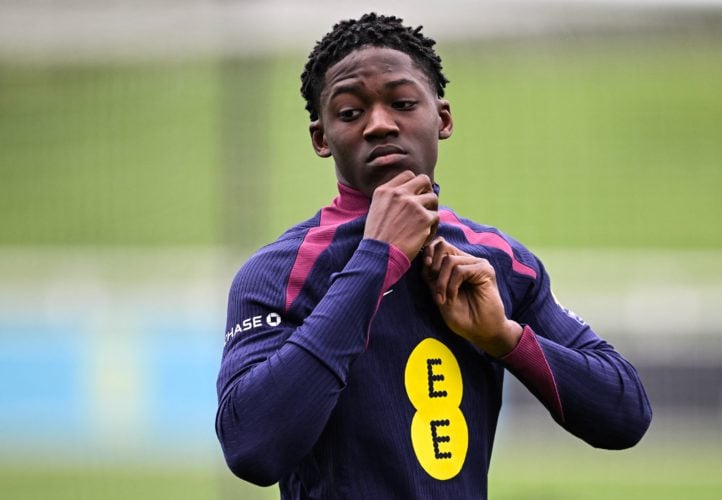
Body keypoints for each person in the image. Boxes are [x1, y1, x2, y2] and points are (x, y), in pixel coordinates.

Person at [215, 12, 652, 499]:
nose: (379, 124)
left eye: (402, 103)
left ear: (441, 119)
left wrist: (505, 339)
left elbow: (627, 413)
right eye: (350, 112)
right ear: (321, 138)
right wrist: (376, 260)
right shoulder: (278, 273)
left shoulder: (498, 262)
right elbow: (250, 446)